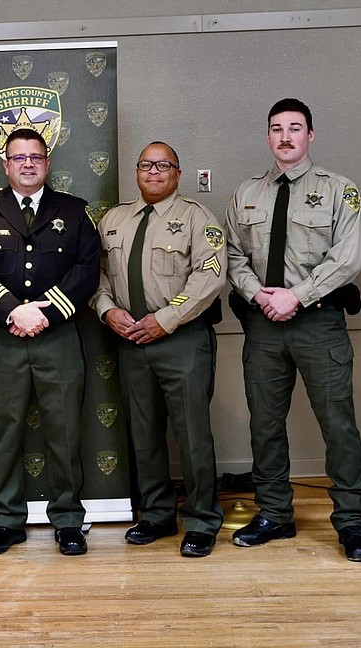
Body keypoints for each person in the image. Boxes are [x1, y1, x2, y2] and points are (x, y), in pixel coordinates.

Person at [225, 98, 361, 562]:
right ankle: (274, 513)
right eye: (276, 128)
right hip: (264, 326)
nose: (285, 136)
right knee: (265, 424)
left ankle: (351, 522)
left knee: (338, 425)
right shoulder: (245, 192)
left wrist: (297, 295)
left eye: (295, 128)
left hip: (319, 323)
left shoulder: (339, 190)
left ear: (311, 135)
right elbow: (232, 255)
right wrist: (259, 295)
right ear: (268, 136)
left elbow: (348, 257)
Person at [0, 128, 100, 556]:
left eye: (35, 157)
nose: (27, 164)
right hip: (4, 340)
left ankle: (68, 520)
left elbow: (86, 270)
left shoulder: (74, 212)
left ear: (47, 163)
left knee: (65, 433)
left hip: (57, 338)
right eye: (18, 158)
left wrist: (44, 312)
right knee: (4, 434)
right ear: (5, 165)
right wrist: (12, 311)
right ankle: (5, 520)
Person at [89, 141, 226, 558]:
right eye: (146, 165)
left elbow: (210, 277)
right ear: (136, 171)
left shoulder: (197, 218)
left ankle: (202, 520)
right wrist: (107, 310)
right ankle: (156, 514)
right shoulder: (113, 220)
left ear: (178, 174)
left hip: (181, 339)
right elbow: (96, 276)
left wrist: (165, 319)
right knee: (144, 434)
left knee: (192, 435)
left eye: (163, 165)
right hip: (130, 339)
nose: (153, 172)